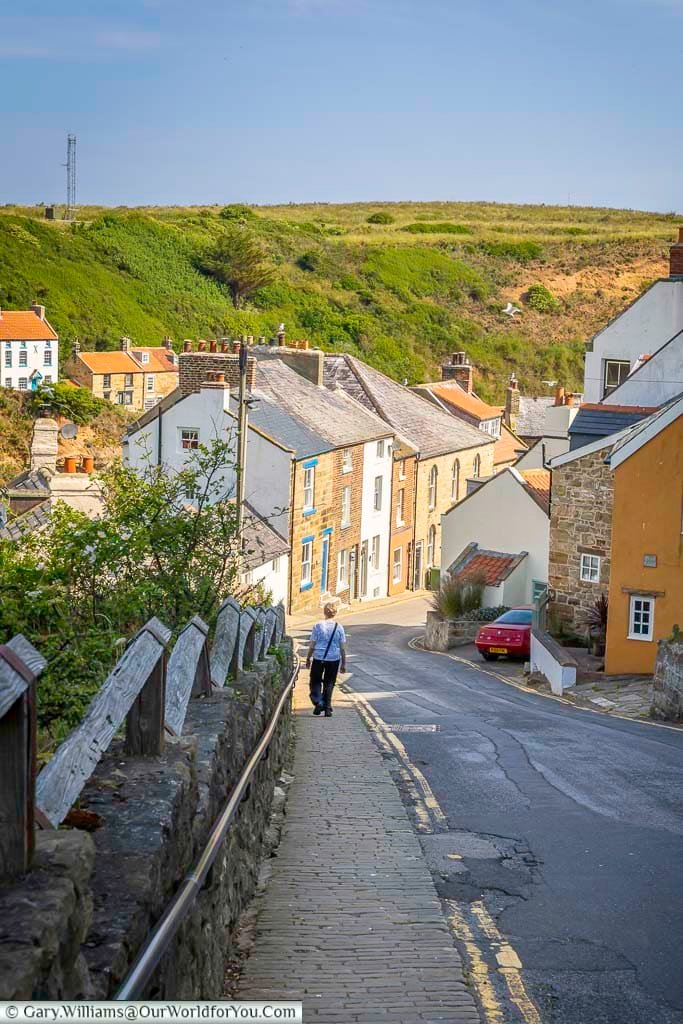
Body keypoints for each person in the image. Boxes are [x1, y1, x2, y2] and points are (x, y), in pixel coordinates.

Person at [306, 603, 346, 717]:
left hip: (319, 657)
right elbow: (342, 648)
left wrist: (308, 658)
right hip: (334, 658)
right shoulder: (339, 627)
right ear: (335, 613)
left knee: (315, 681)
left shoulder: (317, 626)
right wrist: (344, 663)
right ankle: (327, 708)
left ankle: (318, 702)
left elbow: (312, 644)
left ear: (324, 612)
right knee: (329, 683)